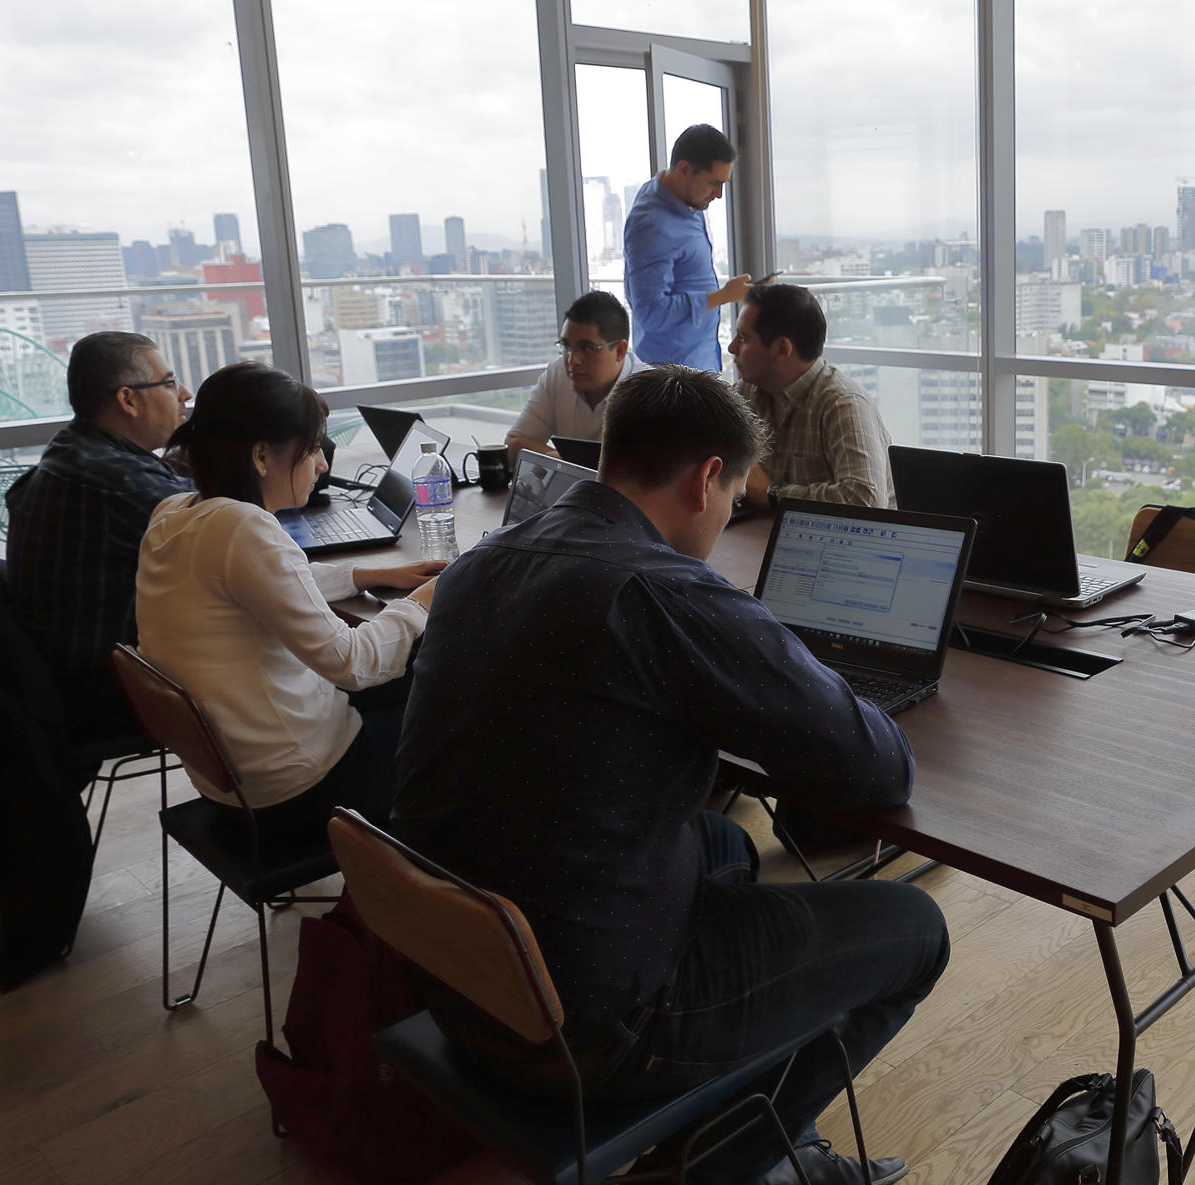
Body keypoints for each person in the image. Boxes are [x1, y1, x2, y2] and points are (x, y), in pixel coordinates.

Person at [393, 365, 945, 1185]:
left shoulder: (484, 562)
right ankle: (735, 1163)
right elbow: (875, 766)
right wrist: (796, 663)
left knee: (724, 840)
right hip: (587, 1027)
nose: (725, 518)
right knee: (913, 929)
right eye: (730, 498)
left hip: (459, 975)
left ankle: (743, 1121)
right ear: (708, 478)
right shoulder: (664, 592)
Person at [135, 362, 443, 834]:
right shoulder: (243, 529)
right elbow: (355, 665)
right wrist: (423, 599)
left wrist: (368, 575)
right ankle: (418, 891)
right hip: (303, 788)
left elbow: (266, 585)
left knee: (418, 690)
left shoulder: (175, 513)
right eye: (314, 447)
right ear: (261, 456)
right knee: (466, 714)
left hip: (235, 779)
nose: (322, 464)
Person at [3, 331, 195, 738]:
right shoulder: (118, 482)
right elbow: (226, 528)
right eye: (169, 382)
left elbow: (174, 490)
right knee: (310, 664)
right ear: (128, 399)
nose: (184, 393)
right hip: (119, 693)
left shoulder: (73, 449)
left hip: (64, 684)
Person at [730, 282, 895, 510]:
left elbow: (865, 500)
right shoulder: (745, 394)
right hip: (760, 535)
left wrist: (774, 493)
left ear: (781, 349)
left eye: (743, 339)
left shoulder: (842, 403)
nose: (731, 347)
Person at [623, 123, 751, 371]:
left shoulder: (684, 197)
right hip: (673, 378)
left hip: (699, 361)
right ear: (683, 169)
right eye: (714, 183)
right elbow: (651, 312)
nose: (719, 194)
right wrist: (724, 296)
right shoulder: (652, 224)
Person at [504, 291, 647, 463]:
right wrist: (560, 461)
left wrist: (564, 465)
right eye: (566, 346)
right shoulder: (557, 374)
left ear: (620, 351)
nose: (572, 360)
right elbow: (513, 444)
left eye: (586, 348)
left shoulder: (649, 392)